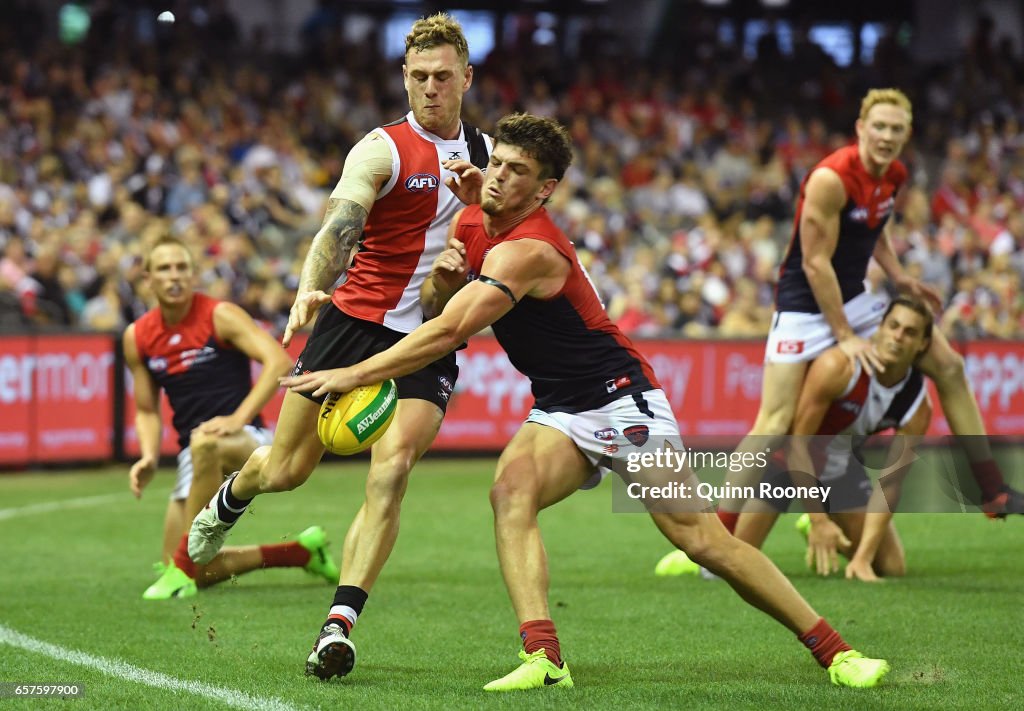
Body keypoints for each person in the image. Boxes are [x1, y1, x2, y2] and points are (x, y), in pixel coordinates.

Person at [281, 113, 891, 691]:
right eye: (496, 163)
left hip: (620, 399)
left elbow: (443, 334)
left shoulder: (530, 251)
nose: (497, 175)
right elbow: (440, 302)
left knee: (701, 541)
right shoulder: (472, 222)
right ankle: (543, 658)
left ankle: (838, 652)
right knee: (510, 491)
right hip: (561, 407)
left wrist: (349, 374)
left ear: (544, 190)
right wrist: (443, 275)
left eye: (517, 171)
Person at [187, 13, 490, 679]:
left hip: (428, 340)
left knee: (395, 466)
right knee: (287, 470)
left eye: (443, 76)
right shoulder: (380, 149)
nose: (431, 88)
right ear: (403, 78)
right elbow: (341, 223)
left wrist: (456, 285)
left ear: (467, 77)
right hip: (350, 323)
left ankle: (338, 625)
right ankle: (234, 494)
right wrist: (307, 287)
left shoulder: (490, 158)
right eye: (418, 77)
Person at [717, 88, 1021, 529]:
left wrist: (898, 277)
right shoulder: (831, 178)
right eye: (878, 126)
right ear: (861, 128)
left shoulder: (894, 174)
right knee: (774, 421)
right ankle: (715, 542)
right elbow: (815, 263)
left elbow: (874, 228)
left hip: (854, 298)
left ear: (906, 135)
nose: (886, 135)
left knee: (950, 366)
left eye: (896, 129)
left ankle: (990, 488)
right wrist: (844, 334)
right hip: (803, 305)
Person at [657, 297, 934, 582]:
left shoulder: (917, 405)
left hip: (840, 470)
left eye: (910, 332)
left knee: (890, 567)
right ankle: (691, 557)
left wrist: (863, 558)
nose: (898, 337)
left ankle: (825, 526)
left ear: (923, 344)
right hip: (783, 465)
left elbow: (891, 483)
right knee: (725, 563)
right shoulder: (839, 367)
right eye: (893, 326)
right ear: (880, 328)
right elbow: (797, 444)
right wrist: (819, 519)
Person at [126, 236, 339, 599]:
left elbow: (278, 362)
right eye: (164, 269)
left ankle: (182, 567)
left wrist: (237, 418)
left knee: (183, 562)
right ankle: (303, 552)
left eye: (182, 267)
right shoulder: (138, 336)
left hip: (246, 441)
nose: (174, 276)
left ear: (194, 274)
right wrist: (147, 455)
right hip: (192, 453)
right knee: (200, 569)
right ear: (148, 278)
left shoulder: (218, 314)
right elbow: (146, 409)